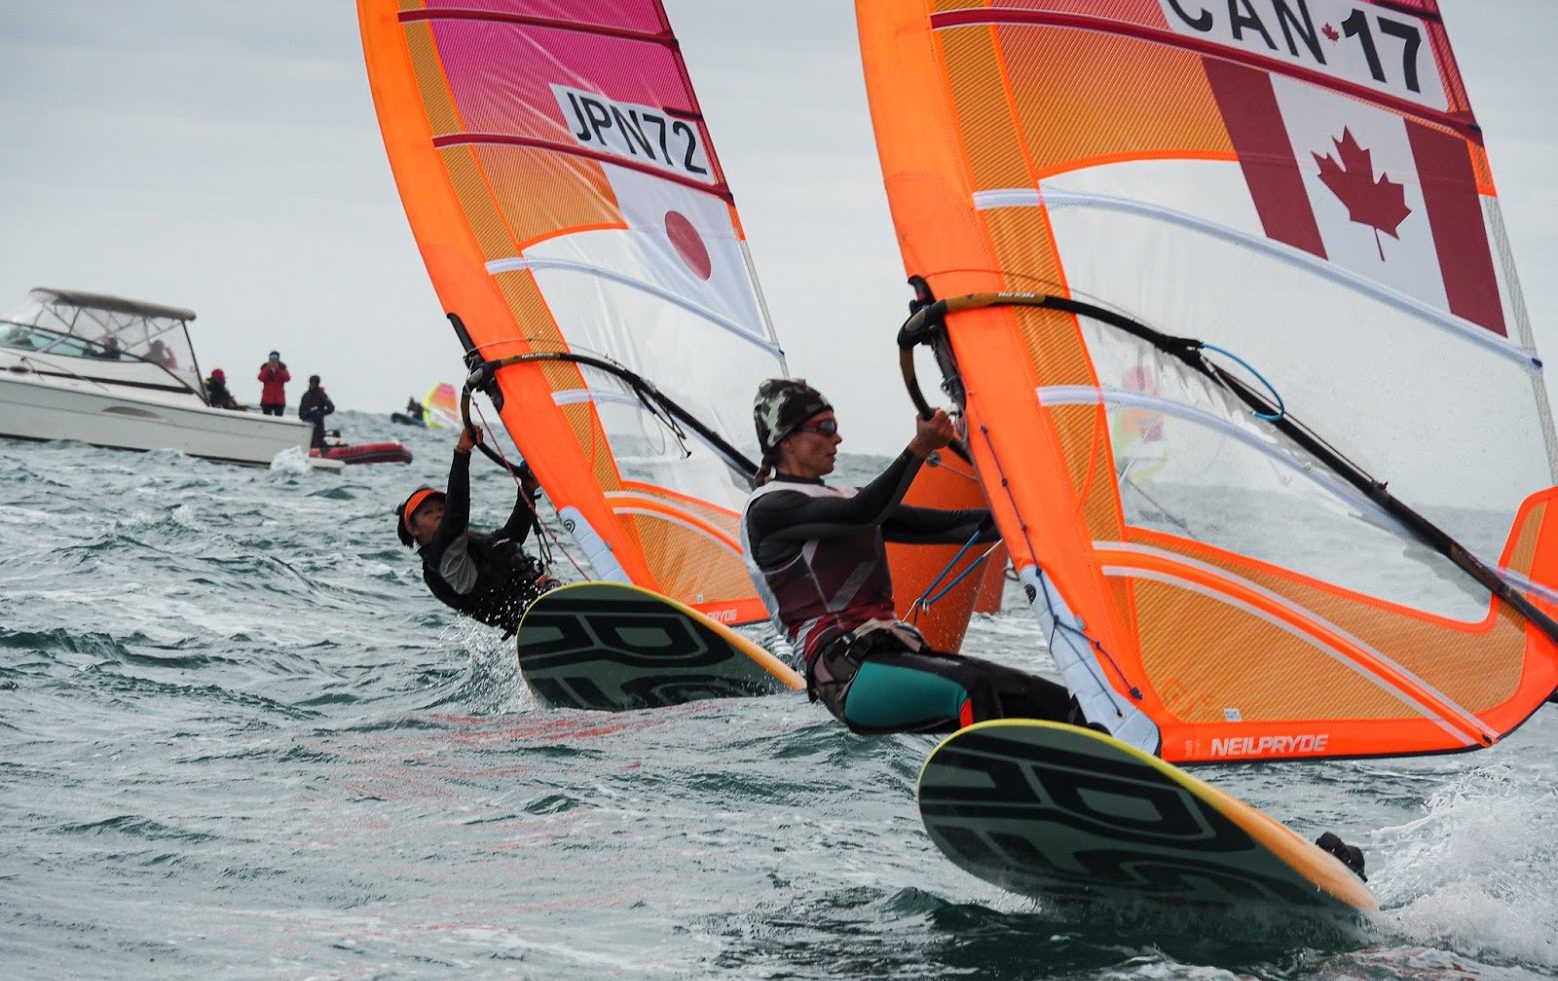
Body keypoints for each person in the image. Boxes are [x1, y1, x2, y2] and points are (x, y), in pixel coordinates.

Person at [740, 378, 1076, 735]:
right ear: (786, 440)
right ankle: (995, 782)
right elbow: (864, 512)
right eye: (826, 428)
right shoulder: (770, 509)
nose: (837, 439)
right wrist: (920, 447)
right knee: (972, 687)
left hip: (895, 653)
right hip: (848, 677)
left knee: (1054, 702)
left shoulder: (844, 498)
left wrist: (1042, 511)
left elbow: (957, 526)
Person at [396, 425, 557, 637]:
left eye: (441, 508)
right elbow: (457, 511)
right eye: (428, 512)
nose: (439, 514)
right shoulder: (441, 557)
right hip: (527, 611)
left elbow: (512, 538)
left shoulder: (467, 545)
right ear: (413, 528)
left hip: (537, 598)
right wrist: (462, 453)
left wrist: (526, 489)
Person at [297, 374, 335, 450]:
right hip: (307, 427)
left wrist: (320, 412)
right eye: (311, 383)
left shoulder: (322, 395)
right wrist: (310, 413)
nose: (312, 385)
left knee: (319, 442)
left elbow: (331, 408)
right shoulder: (306, 395)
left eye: (314, 383)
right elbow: (301, 412)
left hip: (318, 427)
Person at [257, 351, 289, 416]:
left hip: (279, 400)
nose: (273, 359)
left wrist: (277, 370)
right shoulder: (265, 367)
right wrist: (267, 369)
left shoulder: (282, 367)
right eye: (272, 357)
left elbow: (287, 378)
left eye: (275, 357)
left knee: (279, 419)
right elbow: (260, 378)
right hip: (267, 399)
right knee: (266, 418)